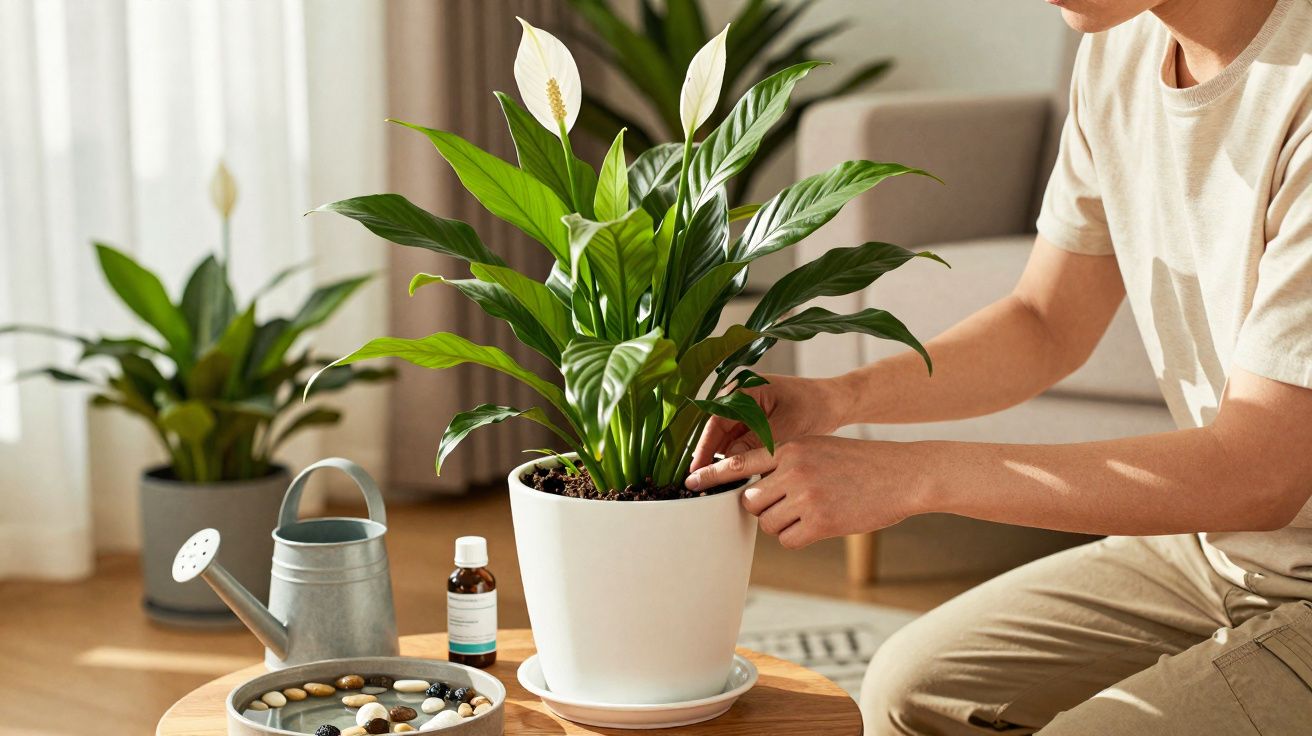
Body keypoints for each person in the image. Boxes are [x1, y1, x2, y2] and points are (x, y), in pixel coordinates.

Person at [687, 0, 1312, 733]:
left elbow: (1258, 473)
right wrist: (836, 397)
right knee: (910, 691)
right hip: (1217, 553)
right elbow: (1045, 322)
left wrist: (913, 476)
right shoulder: (1121, 51)